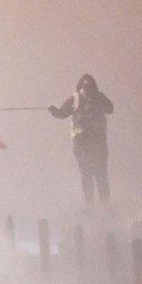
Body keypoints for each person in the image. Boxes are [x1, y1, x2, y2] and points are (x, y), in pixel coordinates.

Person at [49, 74, 114, 207]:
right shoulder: (74, 99)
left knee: (101, 173)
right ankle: (89, 205)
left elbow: (110, 109)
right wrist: (54, 111)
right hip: (81, 142)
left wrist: (99, 100)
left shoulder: (100, 97)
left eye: (90, 87)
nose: (88, 89)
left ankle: (105, 205)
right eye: (85, 86)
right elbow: (62, 114)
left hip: (98, 141)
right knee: (86, 174)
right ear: (80, 87)